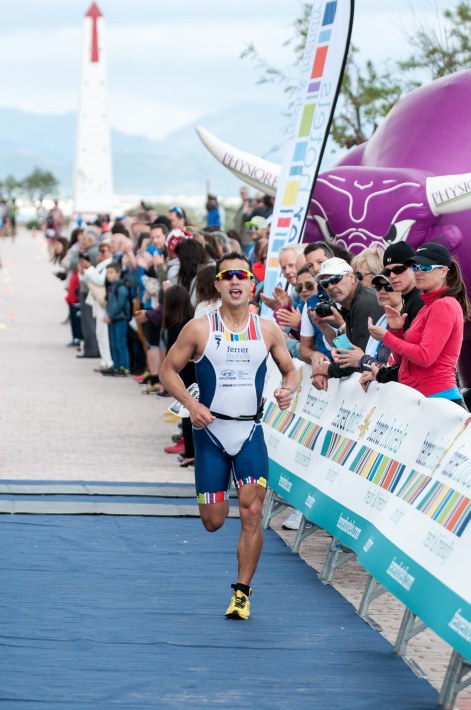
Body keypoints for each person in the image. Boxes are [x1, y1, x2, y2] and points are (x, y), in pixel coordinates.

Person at [159, 252, 298, 620]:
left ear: (252, 284)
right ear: (218, 284)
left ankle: (242, 594)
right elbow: (167, 371)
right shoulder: (199, 328)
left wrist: (287, 390)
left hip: (250, 433)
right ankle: (218, 502)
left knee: (252, 512)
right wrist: (191, 404)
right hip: (211, 434)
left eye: (242, 275)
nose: (235, 281)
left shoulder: (267, 329)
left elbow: (290, 371)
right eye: (227, 276)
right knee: (214, 521)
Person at [367, 242, 470, 408]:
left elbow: (425, 357)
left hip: (439, 399)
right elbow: (403, 360)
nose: (419, 272)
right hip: (421, 398)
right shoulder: (428, 305)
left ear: (444, 271)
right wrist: (396, 331)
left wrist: (387, 337)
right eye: (415, 267)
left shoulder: (443, 305)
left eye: (426, 267)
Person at [310, 257, 384, 391]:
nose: (330, 286)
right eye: (325, 283)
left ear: (351, 277)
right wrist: (324, 327)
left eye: (335, 279)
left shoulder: (363, 303)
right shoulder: (349, 303)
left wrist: (327, 369)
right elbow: (347, 351)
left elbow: (355, 360)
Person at [103, 262, 131, 376]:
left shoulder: (121, 288)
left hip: (120, 319)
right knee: (114, 344)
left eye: (111, 272)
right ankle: (116, 366)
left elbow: (120, 304)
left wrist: (110, 315)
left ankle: (125, 367)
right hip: (113, 319)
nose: (108, 275)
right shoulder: (111, 287)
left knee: (121, 343)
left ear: (118, 273)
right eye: (107, 272)